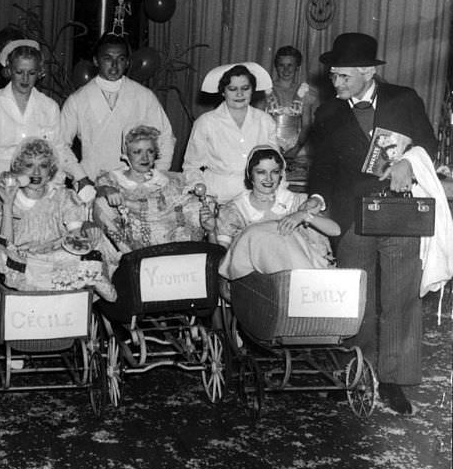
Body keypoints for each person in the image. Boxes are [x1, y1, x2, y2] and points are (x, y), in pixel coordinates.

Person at [309, 32, 437, 414]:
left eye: (343, 76)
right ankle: (356, 372)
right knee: (354, 301)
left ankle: (394, 381)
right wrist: (317, 199)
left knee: (399, 300)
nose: (335, 83)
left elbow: (428, 144)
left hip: (399, 213)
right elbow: (322, 169)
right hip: (351, 217)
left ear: (367, 71)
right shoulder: (328, 112)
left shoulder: (404, 99)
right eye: (332, 76)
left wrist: (407, 163)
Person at [0, 138, 118, 300]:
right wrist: (8, 204)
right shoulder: (1, 200)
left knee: (94, 238)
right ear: (18, 170)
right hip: (21, 267)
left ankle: (98, 281)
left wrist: (86, 228)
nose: (36, 172)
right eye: (29, 165)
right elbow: (5, 246)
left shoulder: (63, 196)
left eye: (43, 166)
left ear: (50, 171)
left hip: (58, 262)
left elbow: (75, 237)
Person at [0, 39, 84, 199]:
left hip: (40, 189)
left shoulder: (49, 106)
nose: (25, 79)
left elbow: (58, 149)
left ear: (40, 73)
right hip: (2, 189)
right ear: (9, 70)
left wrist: (69, 181)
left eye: (31, 73)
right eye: (19, 72)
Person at [206, 145, 339, 283]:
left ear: (281, 174)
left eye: (274, 172)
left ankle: (302, 284)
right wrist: (211, 231)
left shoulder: (295, 202)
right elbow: (225, 258)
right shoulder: (234, 210)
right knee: (257, 233)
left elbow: (335, 230)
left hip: (299, 268)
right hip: (256, 278)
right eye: (261, 172)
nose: (268, 178)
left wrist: (304, 215)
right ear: (250, 174)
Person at [61, 32, 175, 182]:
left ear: (127, 62)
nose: (114, 65)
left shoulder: (144, 96)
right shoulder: (77, 100)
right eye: (107, 59)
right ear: (96, 60)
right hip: (93, 180)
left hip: (135, 182)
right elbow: (60, 144)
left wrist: (157, 175)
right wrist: (81, 178)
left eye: (120, 59)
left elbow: (165, 137)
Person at [93, 125, 214, 254]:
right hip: (129, 239)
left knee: (200, 204)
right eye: (137, 152)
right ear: (126, 155)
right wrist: (107, 190)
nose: (145, 158)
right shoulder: (114, 178)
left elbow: (181, 199)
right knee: (101, 204)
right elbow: (100, 191)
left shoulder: (166, 180)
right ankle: (132, 257)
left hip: (163, 232)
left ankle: (178, 253)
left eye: (150, 151)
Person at [182, 62, 278, 204]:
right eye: (232, 89)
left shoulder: (265, 121)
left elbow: (276, 164)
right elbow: (191, 166)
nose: (239, 94)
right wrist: (199, 187)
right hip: (217, 196)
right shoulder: (206, 122)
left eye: (245, 88)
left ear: (253, 90)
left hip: (257, 197)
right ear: (223, 91)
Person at [264, 46, 318, 157]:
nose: (286, 70)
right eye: (281, 65)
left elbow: (306, 125)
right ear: (276, 66)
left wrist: (296, 148)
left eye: (290, 65)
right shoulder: (265, 90)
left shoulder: (304, 92)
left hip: (296, 146)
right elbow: (258, 124)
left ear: (297, 67)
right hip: (268, 143)